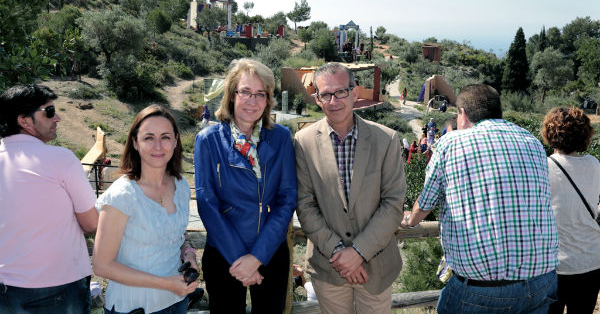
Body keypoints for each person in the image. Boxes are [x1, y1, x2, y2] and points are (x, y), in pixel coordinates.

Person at [402, 84, 559, 313]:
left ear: (463, 114)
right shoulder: (532, 142)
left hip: (481, 290)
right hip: (541, 283)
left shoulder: (451, 144)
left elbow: (425, 204)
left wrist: (410, 221)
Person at [295, 63, 406, 314]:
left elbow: (393, 202)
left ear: (354, 93)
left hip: (375, 270)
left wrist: (358, 252)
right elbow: (305, 204)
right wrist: (340, 253)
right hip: (329, 268)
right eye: (326, 94)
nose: (334, 101)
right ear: (317, 99)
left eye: (341, 92)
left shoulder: (386, 140)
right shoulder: (303, 142)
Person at [194, 58, 297, 314]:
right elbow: (207, 203)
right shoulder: (208, 140)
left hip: (270, 251)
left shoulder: (281, 137)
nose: (253, 101)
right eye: (246, 92)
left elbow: (287, 199)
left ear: (268, 99)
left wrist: (257, 257)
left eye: (260, 94)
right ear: (231, 95)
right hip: (224, 254)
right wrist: (241, 260)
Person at [0, 84, 98, 313]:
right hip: (60, 287)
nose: (58, 118)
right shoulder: (60, 159)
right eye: (50, 111)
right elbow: (92, 223)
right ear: (24, 121)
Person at [93, 105, 199, 314]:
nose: (158, 146)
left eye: (165, 137)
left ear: (176, 140)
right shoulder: (123, 195)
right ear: (135, 142)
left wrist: (189, 256)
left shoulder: (181, 186)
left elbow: (177, 235)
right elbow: (102, 266)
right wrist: (166, 283)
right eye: (149, 137)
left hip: (176, 302)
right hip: (135, 307)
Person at [542, 107, 600, 314]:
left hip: (554, 264)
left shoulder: (542, 166)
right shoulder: (594, 164)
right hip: (592, 260)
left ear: (550, 133)